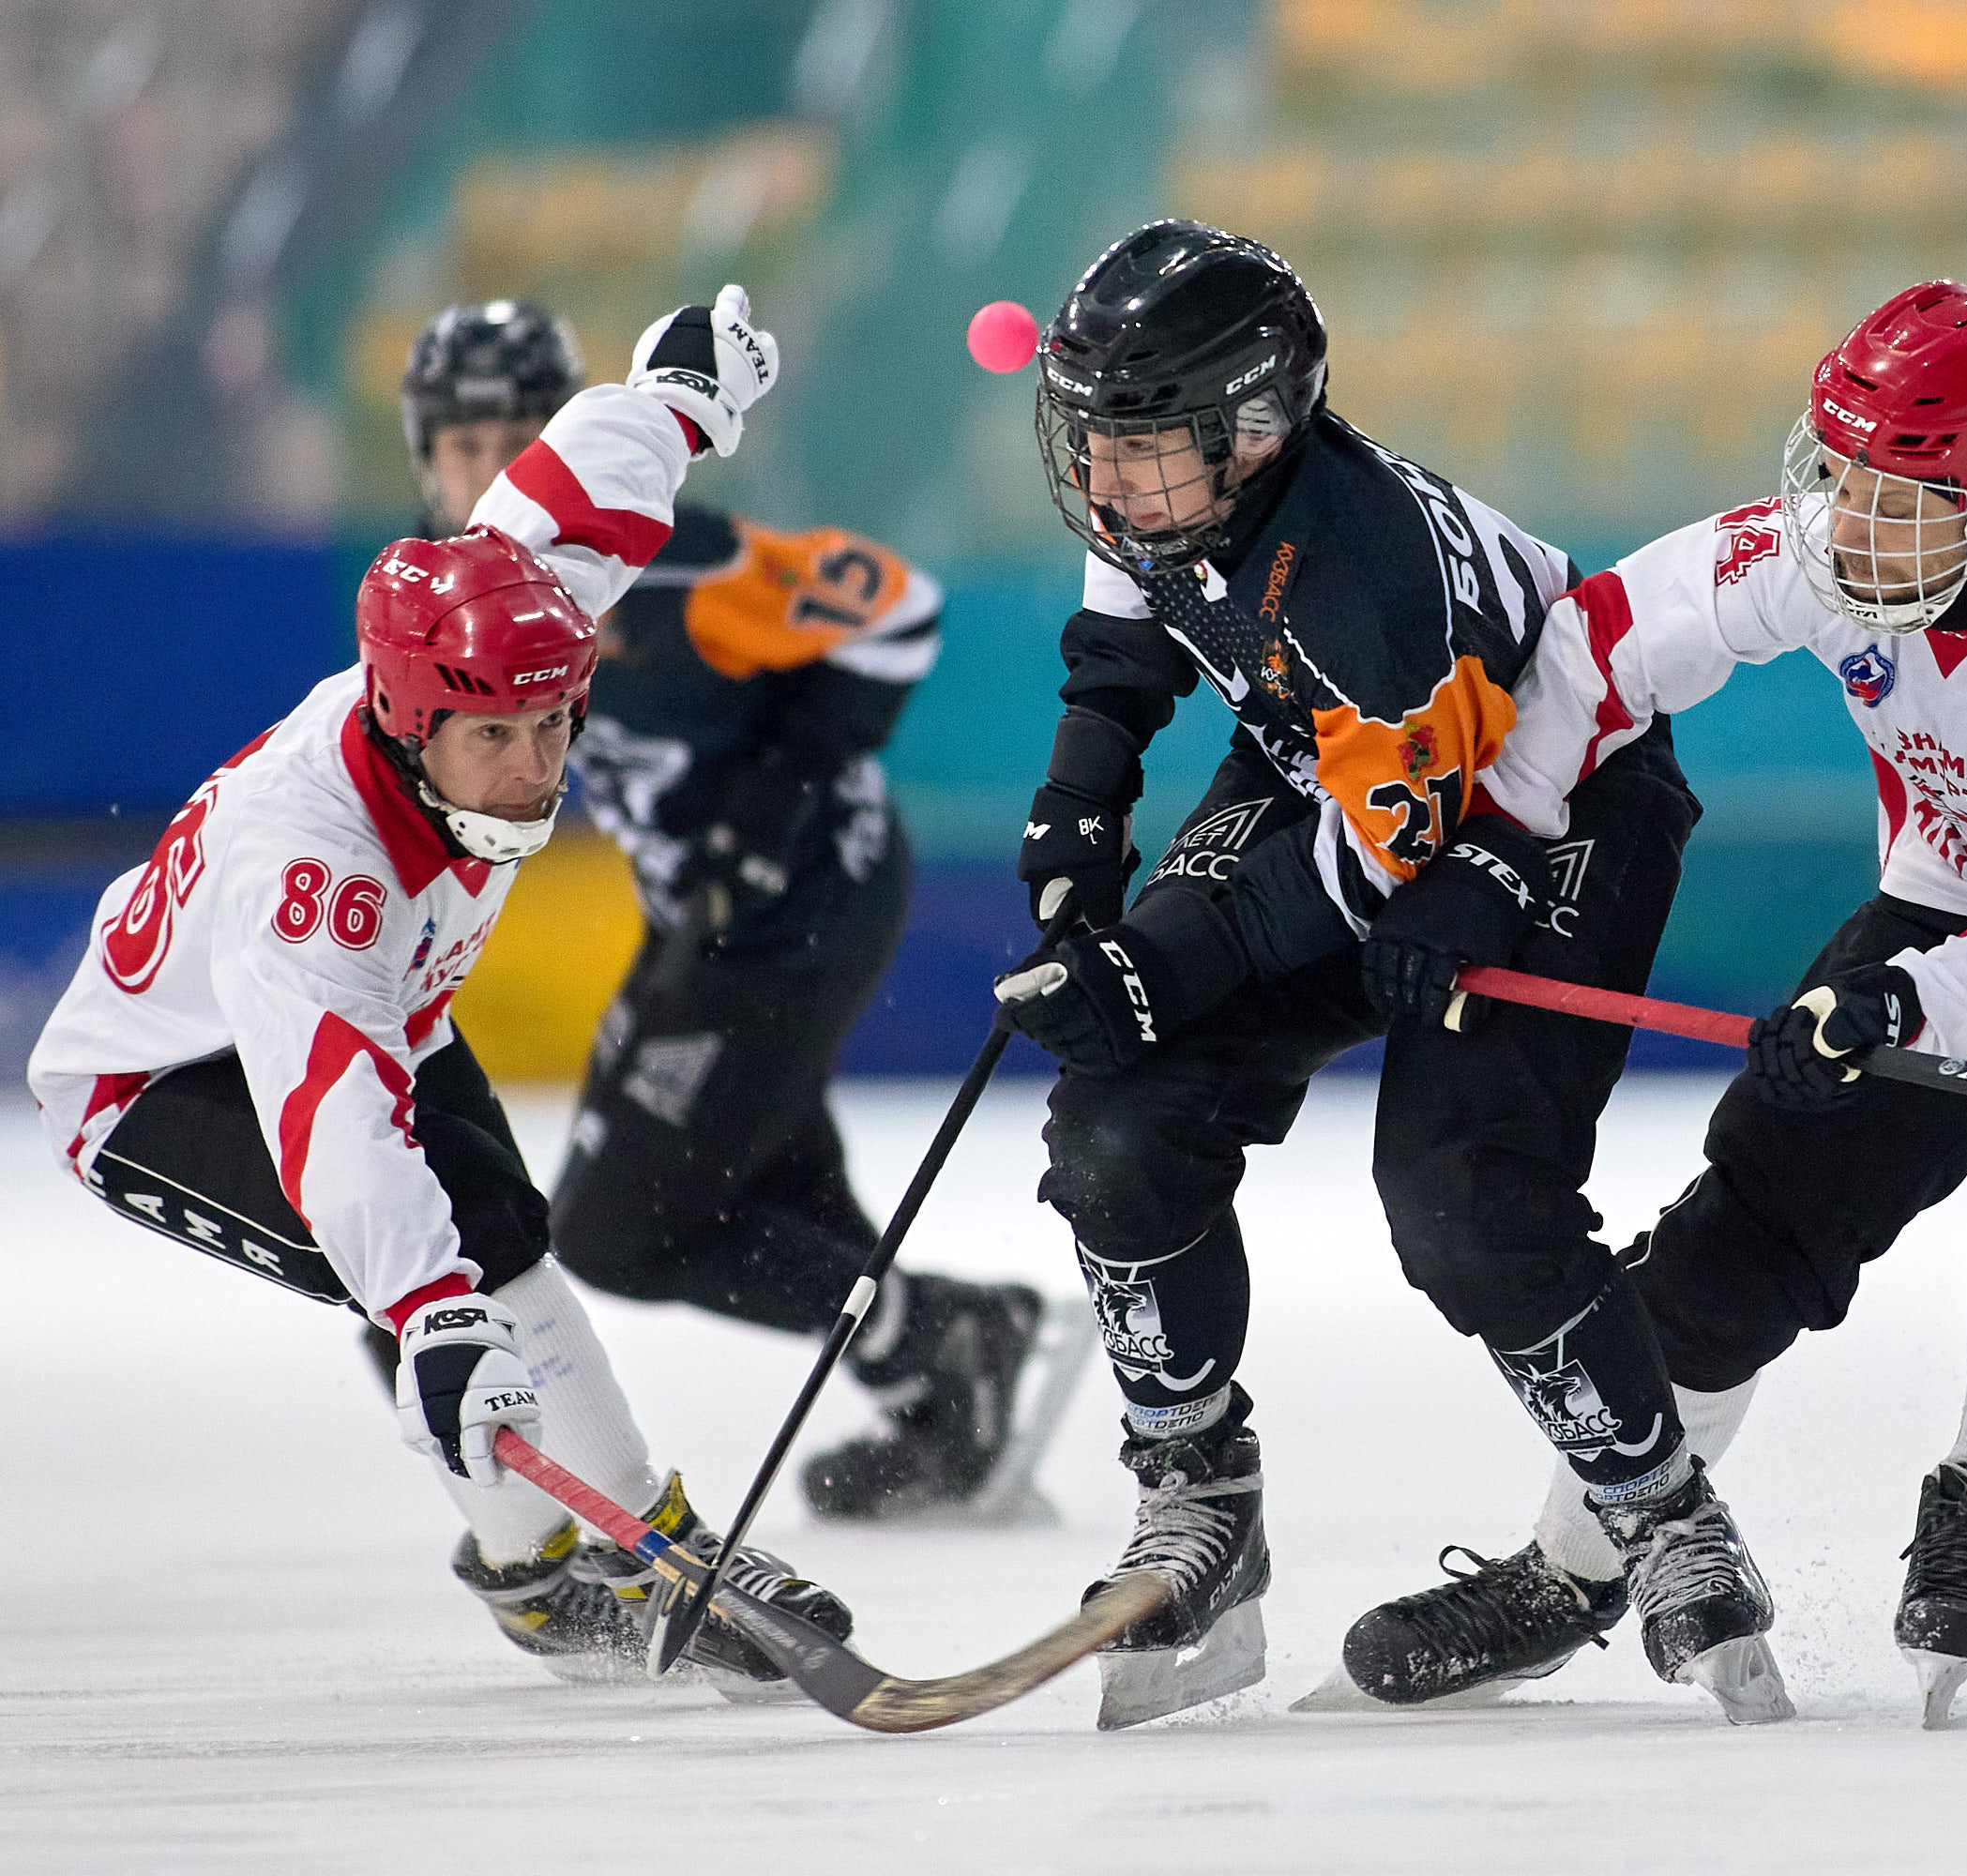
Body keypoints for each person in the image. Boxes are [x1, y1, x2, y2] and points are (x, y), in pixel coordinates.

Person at [1337, 281, 1967, 1726]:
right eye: (1841, 476)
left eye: (1908, 498)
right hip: (1958, 899)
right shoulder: (1825, 549)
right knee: (1756, 1209)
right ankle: (1575, 1568)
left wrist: (1898, 1006)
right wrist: (1497, 847)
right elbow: (1600, 644)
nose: (1855, 526)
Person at [989, 219, 1787, 1728]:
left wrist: (1154, 966)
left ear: (1256, 429)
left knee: (1465, 1199)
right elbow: (1132, 616)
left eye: (1140, 448)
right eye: (1090, 441)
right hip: (1344, 771)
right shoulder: (1179, 491)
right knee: (1117, 1128)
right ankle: (1199, 1504)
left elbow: (1369, 872)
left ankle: (1666, 1523)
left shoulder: (1367, 585)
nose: (1102, 482)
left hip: (1549, 808)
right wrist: (1080, 809)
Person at [28, 288, 849, 1693]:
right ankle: (535, 1573)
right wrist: (427, 1313)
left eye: (555, 725)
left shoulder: (500, 628)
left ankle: (653, 1549)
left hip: (376, 1009)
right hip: (162, 1086)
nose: (537, 768)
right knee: (445, 1290)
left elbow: (581, 482)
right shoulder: (317, 871)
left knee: (510, 1254)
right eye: (499, 741)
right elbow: (335, 1117)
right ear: (412, 728)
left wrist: (680, 392)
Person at [388, 299, 1082, 1522]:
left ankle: (948, 1336)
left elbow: (901, 606)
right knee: (761, 1174)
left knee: (615, 1231)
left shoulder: (669, 558)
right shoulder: (447, 600)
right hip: (708, 917)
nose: (496, 471)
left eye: (523, 436)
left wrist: (781, 787)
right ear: (424, 458)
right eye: (466, 445)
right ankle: (941, 1389)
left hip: (804, 900)